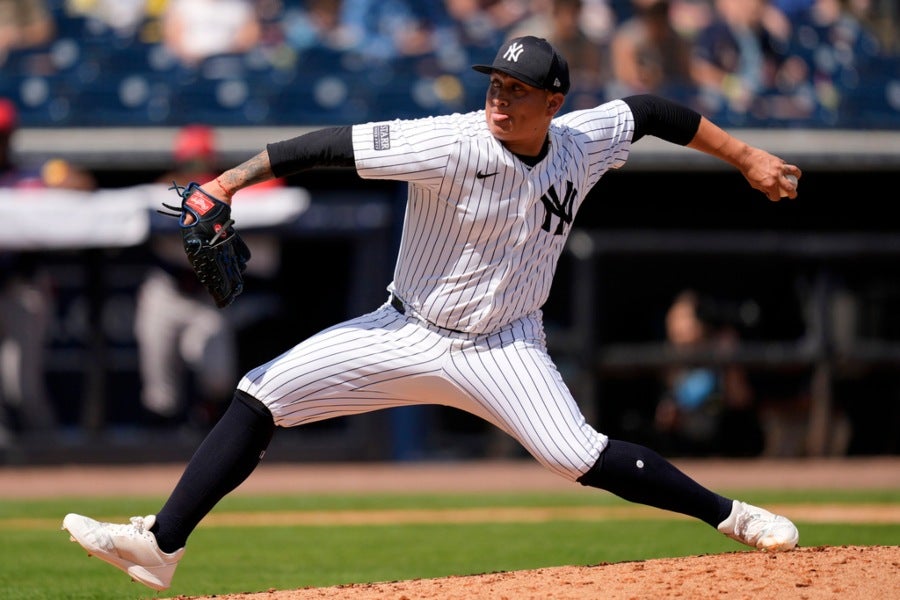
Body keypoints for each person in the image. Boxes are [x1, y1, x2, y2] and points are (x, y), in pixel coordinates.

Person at [62, 35, 801, 592]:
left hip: (505, 347)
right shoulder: (449, 140)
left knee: (576, 455)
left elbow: (652, 112)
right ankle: (162, 545)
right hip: (404, 330)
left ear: (554, 103)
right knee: (262, 392)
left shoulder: (581, 140)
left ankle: (735, 517)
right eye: (496, 84)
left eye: (518, 90)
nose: (500, 99)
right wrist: (228, 181)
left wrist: (745, 156)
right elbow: (325, 145)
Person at [0, 97, 94, 454]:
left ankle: (49, 457)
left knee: (20, 384)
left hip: (21, 286)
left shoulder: (30, 175)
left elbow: (83, 186)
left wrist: (61, 178)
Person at [133, 125, 241, 432]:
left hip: (207, 294)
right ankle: (158, 443)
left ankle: (204, 428)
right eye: (188, 161)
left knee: (218, 377)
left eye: (200, 161)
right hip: (166, 289)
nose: (194, 168)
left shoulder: (228, 193)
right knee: (159, 386)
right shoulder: (163, 191)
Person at [654, 289, 764, 457]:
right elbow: (663, 420)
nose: (677, 325)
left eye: (685, 318)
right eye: (675, 318)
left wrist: (729, 361)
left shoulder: (721, 349)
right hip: (683, 447)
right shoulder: (667, 357)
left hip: (726, 445)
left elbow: (741, 401)